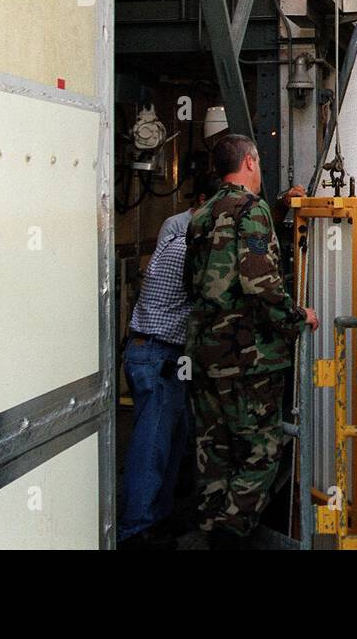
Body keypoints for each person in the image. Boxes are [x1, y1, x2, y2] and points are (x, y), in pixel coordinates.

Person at [184, 134, 317, 549]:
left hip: (207, 354)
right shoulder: (251, 210)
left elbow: (194, 281)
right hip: (249, 357)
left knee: (213, 447)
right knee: (263, 449)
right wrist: (298, 317)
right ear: (250, 162)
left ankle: (208, 530)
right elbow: (259, 282)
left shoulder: (201, 214)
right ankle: (230, 531)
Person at [118, 173, 220, 549]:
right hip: (157, 352)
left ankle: (156, 520)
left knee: (170, 440)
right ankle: (136, 530)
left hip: (164, 353)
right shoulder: (187, 249)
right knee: (153, 444)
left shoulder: (178, 239)